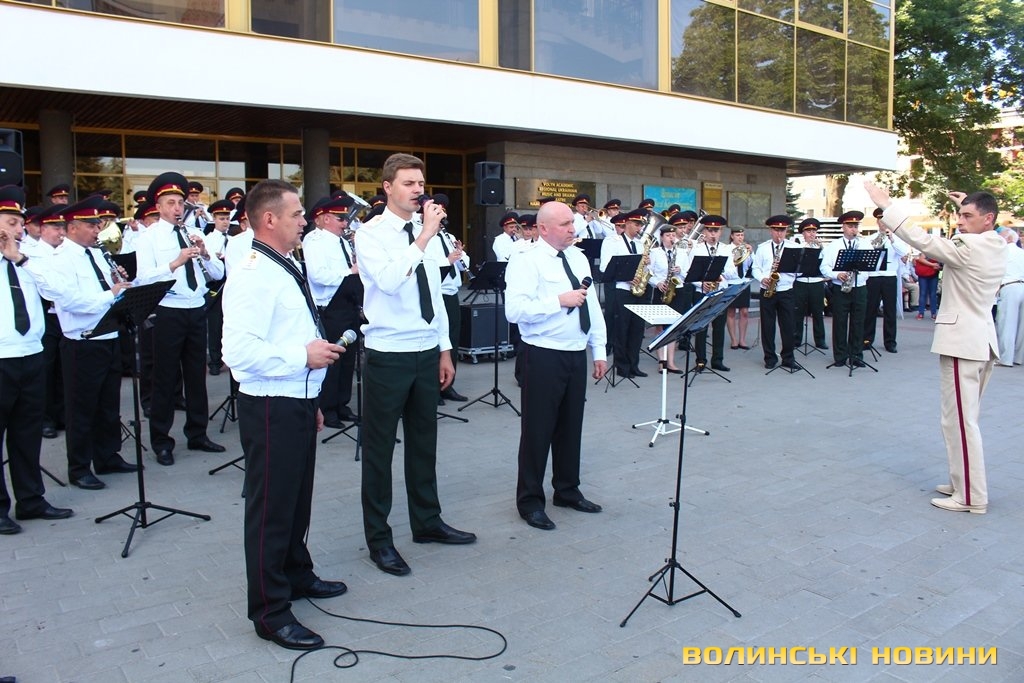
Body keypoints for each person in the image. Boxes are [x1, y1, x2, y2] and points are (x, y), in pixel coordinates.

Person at [222, 179, 348, 651]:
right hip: (270, 404)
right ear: (269, 219)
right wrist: (302, 358)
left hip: (294, 398)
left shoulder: (284, 262)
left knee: (296, 501)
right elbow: (237, 352)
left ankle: (296, 572)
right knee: (271, 510)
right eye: (296, 214)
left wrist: (310, 399)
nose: (304, 221)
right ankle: (270, 611)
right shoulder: (253, 273)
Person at [355, 153, 476, 577]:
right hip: (389, 353)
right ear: (388, 187)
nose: (418, 191)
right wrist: (424, 236)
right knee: (380, 450)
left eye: (421, 184)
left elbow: (436, 294)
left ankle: (427, 522)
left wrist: (445, 349)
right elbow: (390, 282)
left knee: (425, 442)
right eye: (408, 183)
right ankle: (379, 539)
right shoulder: (370, 234)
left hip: (426, 350)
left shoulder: (429, 234)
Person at [866, 182, 1005, 514]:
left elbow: (923, 240)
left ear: (987, 219)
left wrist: (888, 206)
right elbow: (978, 222)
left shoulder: (970, 246)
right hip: (978, 340)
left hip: (963, 342)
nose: (960, 221)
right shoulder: (996, 241)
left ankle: (970, 496)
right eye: (960, 215)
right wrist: (967, 204)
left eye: (967, 216)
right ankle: (962, 482)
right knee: (960, 420)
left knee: (960, 422)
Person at [19, 196, 138, 489]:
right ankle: (79, 467)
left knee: (108, 404)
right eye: (92, 225)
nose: (97, 230)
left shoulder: (95, 254)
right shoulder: (61, 259)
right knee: (82, 408)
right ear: (73, 227)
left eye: (98, 225)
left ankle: (107, 456)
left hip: (109, 335)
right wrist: (111, 294)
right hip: (82, 343)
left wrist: (121, 284)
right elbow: (71, 301)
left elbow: (112, 289)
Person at [505, 201, 608, 530]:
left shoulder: (578, 257)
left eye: (572, 223)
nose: (572, 229)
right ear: (543, 228)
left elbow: (592, 305)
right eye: (564, 224)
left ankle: (567, 490)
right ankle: (530, 501)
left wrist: (599, 349)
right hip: (542, 353)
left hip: (575, 352)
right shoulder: (526, 260)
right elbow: (514, 311)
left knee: (570, 426)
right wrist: (558, 301)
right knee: (537, 430)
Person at [134, 172, 226, 466]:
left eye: (180, 203)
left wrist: (205, 254)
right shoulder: (149, 237)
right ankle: (161, 441)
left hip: (196, 308)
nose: (177, 208)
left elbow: (218, 274)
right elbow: (143, 278)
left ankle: (198, 434)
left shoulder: (193, 232)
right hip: (168, 310)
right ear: (158, 207)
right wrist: (175, 262)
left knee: (196, 376)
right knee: (165, 378)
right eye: (171, 203)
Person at [0, 186, 74, 535]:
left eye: (20, 223)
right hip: (1, 357)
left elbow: (58, 291)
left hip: (31, 354)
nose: (18, 230)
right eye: (11, 222)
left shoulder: (29, 258)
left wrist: (21, 259)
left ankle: (31, 499)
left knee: (27, 433)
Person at [303, 195, 363, 426]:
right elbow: (318, 275)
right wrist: (350, 272)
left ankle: (342, 404)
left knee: (348, 360)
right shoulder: (314, 240)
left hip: (348, 303)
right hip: (330, 307)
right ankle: (328, 409)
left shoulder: (343, 241)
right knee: (333, 360)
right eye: (340, 218)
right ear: (326, 218)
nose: (345, 223)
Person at [429, 192, 470, 404]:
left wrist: (460, 254)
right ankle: (434, 388)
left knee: (452, 339)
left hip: (452, 293)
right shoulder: (426, 238)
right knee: (437, 341)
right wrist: (448, 259)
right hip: (439, 293)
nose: (442, 217)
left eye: (443, 213)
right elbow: (429, 267)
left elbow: (464, 264)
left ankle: (448, 385)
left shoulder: (448, 237)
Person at [599, 208, 650, 378]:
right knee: (622, 329)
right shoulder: (612, 242)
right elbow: (605, 267)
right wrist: (626, 276)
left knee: (637, 329)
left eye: (641, 225)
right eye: (636, 224)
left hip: (639, 290)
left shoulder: (640, 244)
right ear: (627, 223)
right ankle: (622, 366)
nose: (639, 228)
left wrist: (647, 264)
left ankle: (634, 365)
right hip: (622, 290)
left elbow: (644, 269)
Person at [821, 211, 871, 368]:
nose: (853, 229)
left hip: (859, 287)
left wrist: (860, 275)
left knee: (858, 322)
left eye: (855, 226)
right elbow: (824, 267)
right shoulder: (834, 246)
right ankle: (840, 356)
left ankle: (856, 355)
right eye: (850, 226)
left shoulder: (865, 245)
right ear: (843, 227)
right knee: (840, 322)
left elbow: (871, 267)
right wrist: (837, 274)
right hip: (840, 288)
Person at [686, 215, 736, 372]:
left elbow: (733, 272)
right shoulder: (697, 249)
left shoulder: (726, 249)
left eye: (716, 231)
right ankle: (700, 361)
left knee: (719, 327)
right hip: (702, 292)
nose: (713, 234)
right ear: (704, 232)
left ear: (720, 232)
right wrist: (701, 283)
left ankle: (718, 360)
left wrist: (721, 274)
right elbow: (689, 273)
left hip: (720, 292)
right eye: (710, 230)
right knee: (701, 328)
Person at [752, 215, 799, 369]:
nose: (779, 233)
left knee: (788, 326)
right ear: (771, 231)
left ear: (787, 231)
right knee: (768, 326)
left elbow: (799, 270)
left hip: (786, 290)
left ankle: (788, 358)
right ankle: (770, 358)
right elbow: (755, 268)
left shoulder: (793, 247)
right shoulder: (763, 248)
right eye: (776, 230)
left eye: (782, 230)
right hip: (767, 289)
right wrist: (762, 278)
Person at [863, 208, 910, 353]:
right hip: (873, 276)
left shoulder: (896, 239)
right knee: (870, 309)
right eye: (880, 220)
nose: (883, 223)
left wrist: (892, 239)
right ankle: (866, 340)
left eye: (885, 221)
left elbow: (904, 253)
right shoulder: (869, 239)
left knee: (890, 310)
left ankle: (890, 342)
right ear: (877, 222)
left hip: (889, 276)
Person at [648, 223, 689, 372]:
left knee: (673, 326)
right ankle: (662, 361)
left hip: (677, 291)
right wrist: (657, 283)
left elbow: (687, 273)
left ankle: (670, 362)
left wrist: (680, 271)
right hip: (661, 290)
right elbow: (649, 273)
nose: (671, 238)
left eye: (673, 235)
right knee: (660, 326)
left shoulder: (682, 252)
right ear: (662, 237)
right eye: (668, 235)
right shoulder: (655, 252)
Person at [202, 199, 233, 375]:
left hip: (231, 283)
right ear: (214, 219)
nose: (225, 222)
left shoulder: (233, 239)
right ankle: (215, 361)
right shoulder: (208, 239)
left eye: (227, 218)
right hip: (216, 285)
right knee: (215, 324)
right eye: (221, 218)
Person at [791, 218, 828, 350]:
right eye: (808, 231)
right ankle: (796, 338)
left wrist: (821, 248)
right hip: (800, 282)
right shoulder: (798, 246)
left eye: (814, 231)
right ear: (803, 233)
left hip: (816, 282)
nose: (812, 234)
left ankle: (820, 340)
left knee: (818, 312)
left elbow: (825, 264)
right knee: (798, 312)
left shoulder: (821, 248)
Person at [995, 226, 1024, 367]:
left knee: (1007, 324)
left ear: (1008, 238)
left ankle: (1006, 358)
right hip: (1022, 285)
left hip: (1009, 286)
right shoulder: (1021, 252)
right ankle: (1018, 357)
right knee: (1021, 326)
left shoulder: (1002, 251)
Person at [725, 227, 752, 350]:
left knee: (744, 312)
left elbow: (751, 265)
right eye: (737, 235)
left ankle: (742, 339)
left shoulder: (745, 248)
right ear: (732, 236)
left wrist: (751, 253)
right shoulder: (727, 249)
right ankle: (734, 340)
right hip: (731, 282)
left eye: (742, 235)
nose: (740, 238)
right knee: (731, 312)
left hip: (743, 281)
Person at [914, 251, 942, 319]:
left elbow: (921, 259)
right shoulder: (935, 251)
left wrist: (939, 267)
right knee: (931, 294)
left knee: (924, 294)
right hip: (929, 274)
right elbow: (921, 259)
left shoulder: (927, 250)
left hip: (926, 274)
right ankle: (932, 314)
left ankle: (922, 313)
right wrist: (933, 265)